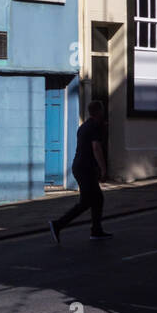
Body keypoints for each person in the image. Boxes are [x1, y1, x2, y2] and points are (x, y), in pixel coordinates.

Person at [49, 101, 113, 242]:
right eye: (102, 111)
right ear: (98, 112)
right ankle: (58, 225)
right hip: (85, 169)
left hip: (79, 167)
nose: (104, 113)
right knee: (88, 201)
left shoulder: (84, 127)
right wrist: (103, 169)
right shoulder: (94, 127)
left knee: (96, 199)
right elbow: (96, 148)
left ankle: (96, 230)